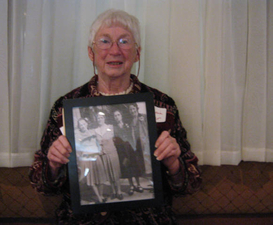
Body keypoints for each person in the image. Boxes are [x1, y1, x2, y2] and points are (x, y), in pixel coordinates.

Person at [29, 8, 201, 225]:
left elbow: (191, 184)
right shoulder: (65, 108)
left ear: (137, 53)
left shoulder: (163, 106)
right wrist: (53, 165)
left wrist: (174, 164)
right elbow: (42, 185)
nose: (115, 50)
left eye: (124, 41)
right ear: (91, 53)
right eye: (104, 41)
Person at [74, 118, 107, 204]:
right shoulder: (78, 136)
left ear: (87, 124)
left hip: (96, 156)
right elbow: (77, 149)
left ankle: (101, 195)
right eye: (81, 125)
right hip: (87, 158)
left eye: (84, 124)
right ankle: (99, 198)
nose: (83, 126)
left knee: (100, 177)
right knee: (91, 179)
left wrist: (100, 150)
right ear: (79, 127)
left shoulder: (93, 132)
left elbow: (98, 143)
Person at [112, 108, 144, 196]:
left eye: (118, 115)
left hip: (130, 148)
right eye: (115, 116)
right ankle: (131, 186)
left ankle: (138, 184)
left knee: (134, 165)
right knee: (127, 166)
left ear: (121, 116)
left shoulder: (127, 124)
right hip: (121, 150)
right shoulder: (114, 128)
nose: (117, 117)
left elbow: (133, 136)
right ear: (114, 118)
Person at [94, 111, 123, 200]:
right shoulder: (95, 130)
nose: (100, 119)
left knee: (115, 173)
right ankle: (113, 191)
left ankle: (119, 191)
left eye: (101, 118)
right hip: (103, 155)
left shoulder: (110, 127)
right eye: (98, 118)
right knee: (109, 174)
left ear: (104, 118)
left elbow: (115, 139)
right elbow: (96, 143)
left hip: (112, 152)